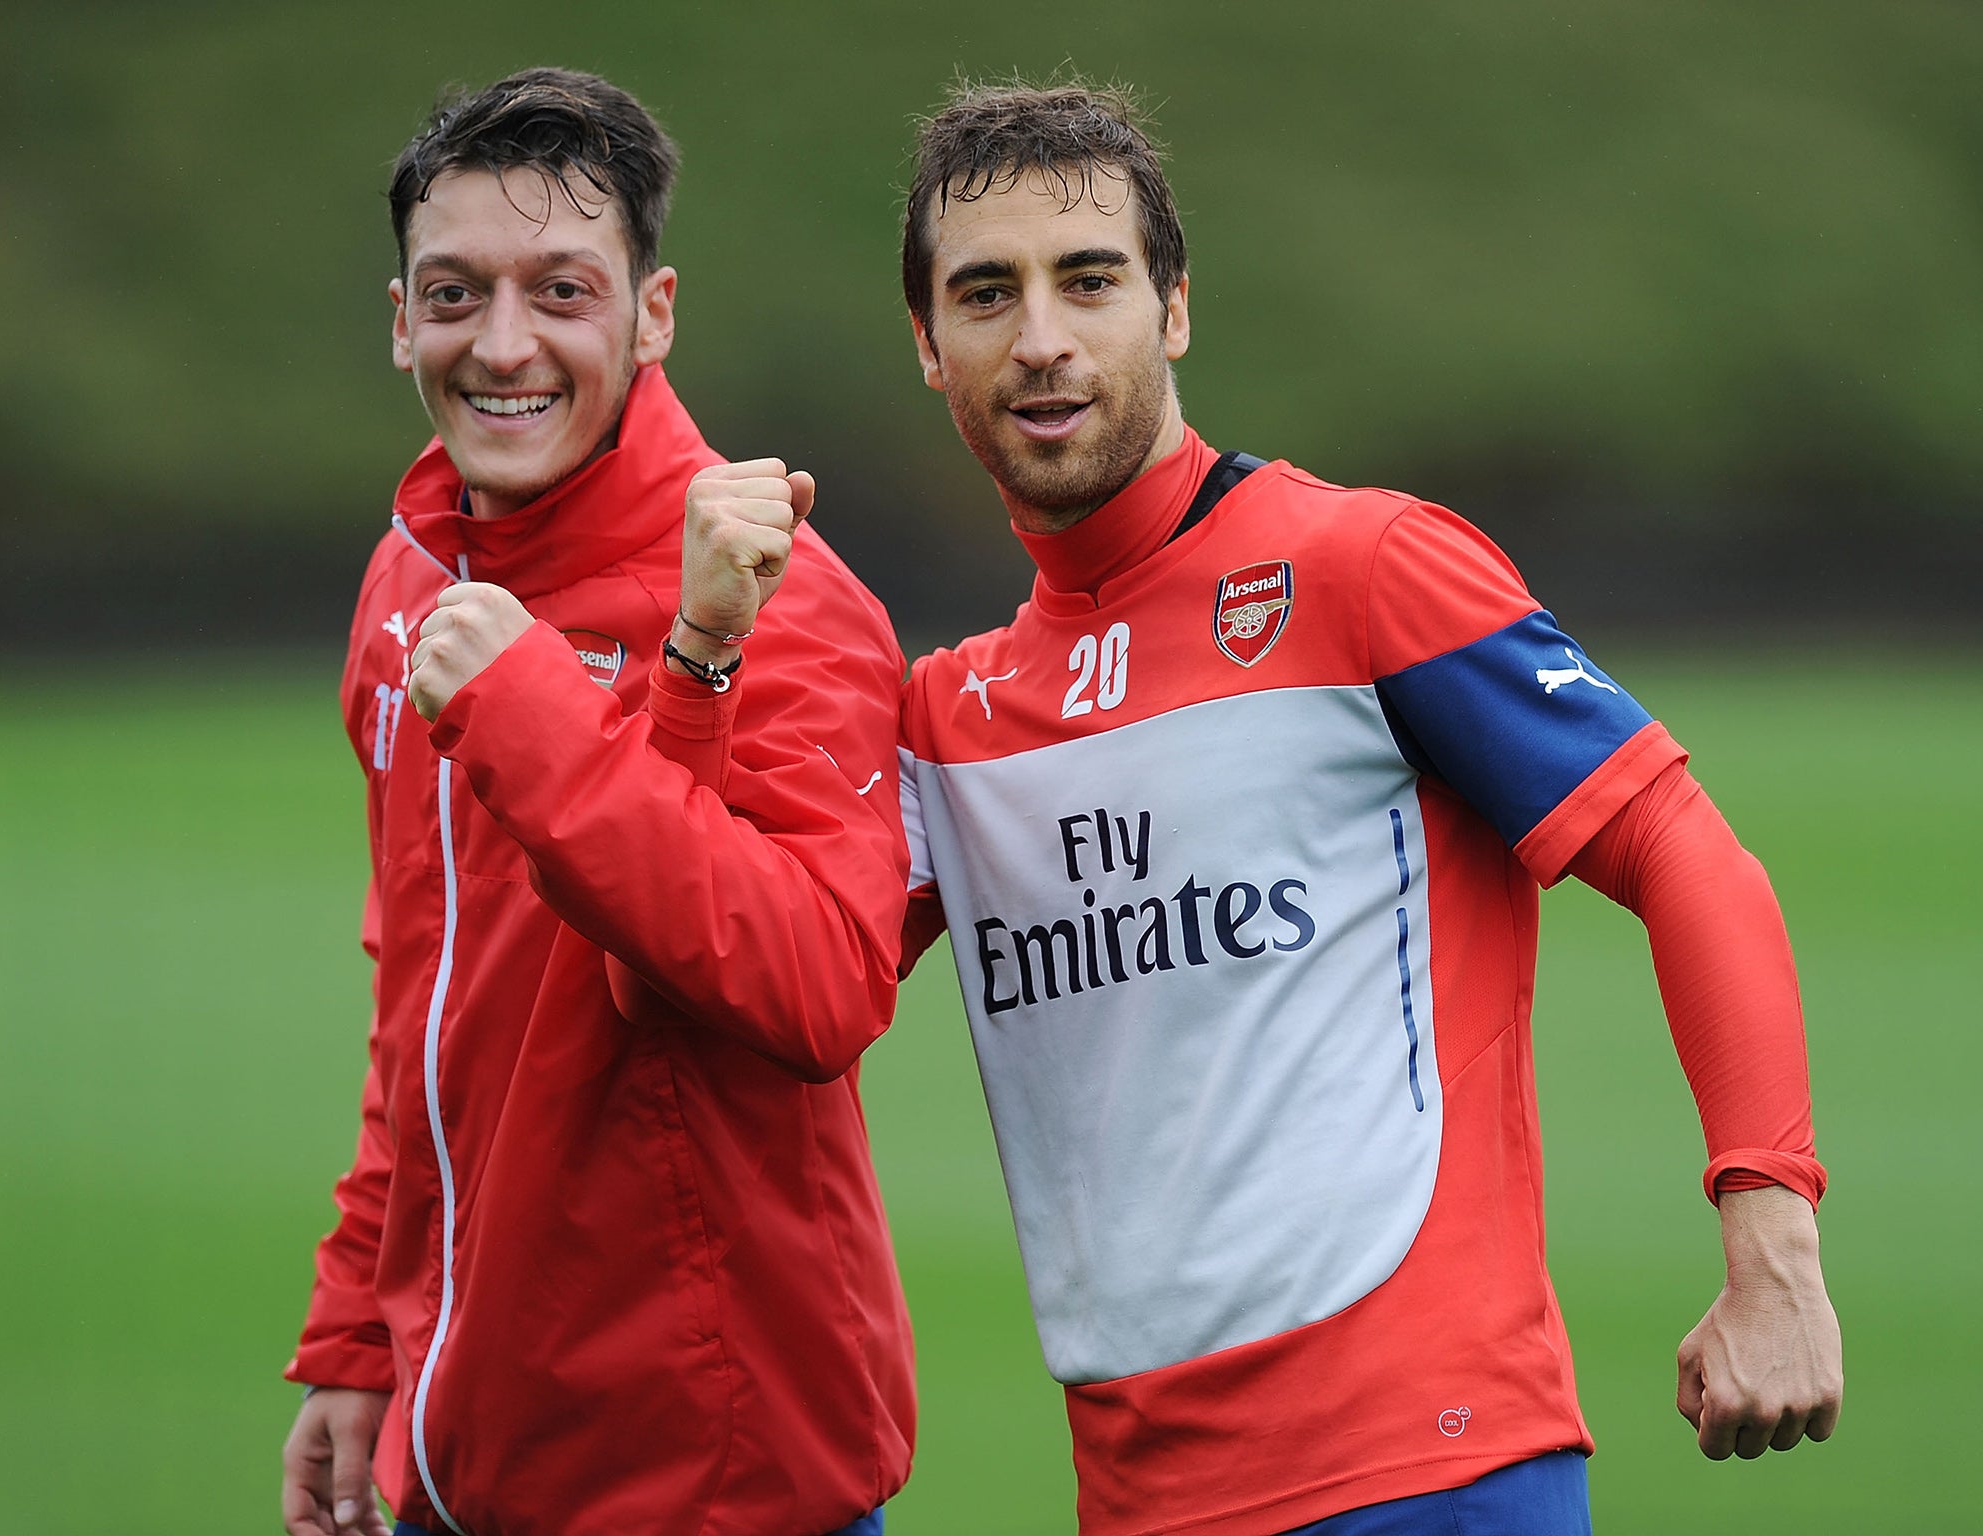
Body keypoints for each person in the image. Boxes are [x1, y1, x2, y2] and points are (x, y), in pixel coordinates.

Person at [679, 81, 1843, 1536]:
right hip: (1140, 1503)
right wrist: (702, 661)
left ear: (1172, 309)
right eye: (987, 293)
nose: (1040, 337)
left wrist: (1772, 1242)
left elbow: (1687, 852)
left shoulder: (1365, 569)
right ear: (930, 347)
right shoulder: (944, 720)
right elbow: (753, 978)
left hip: (1435, 1475)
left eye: (1087, 280)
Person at [279, 69, 913, 1536]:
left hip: (711, 1473)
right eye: (455, 294)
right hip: (461, 1438)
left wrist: (546, 714)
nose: (504, 346)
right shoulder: (407, 585)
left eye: (560, 289)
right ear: (399, 321)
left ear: (653, 312)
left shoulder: (782, 594)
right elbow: (423, 1009)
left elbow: (818, 986)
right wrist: (359, 1334)